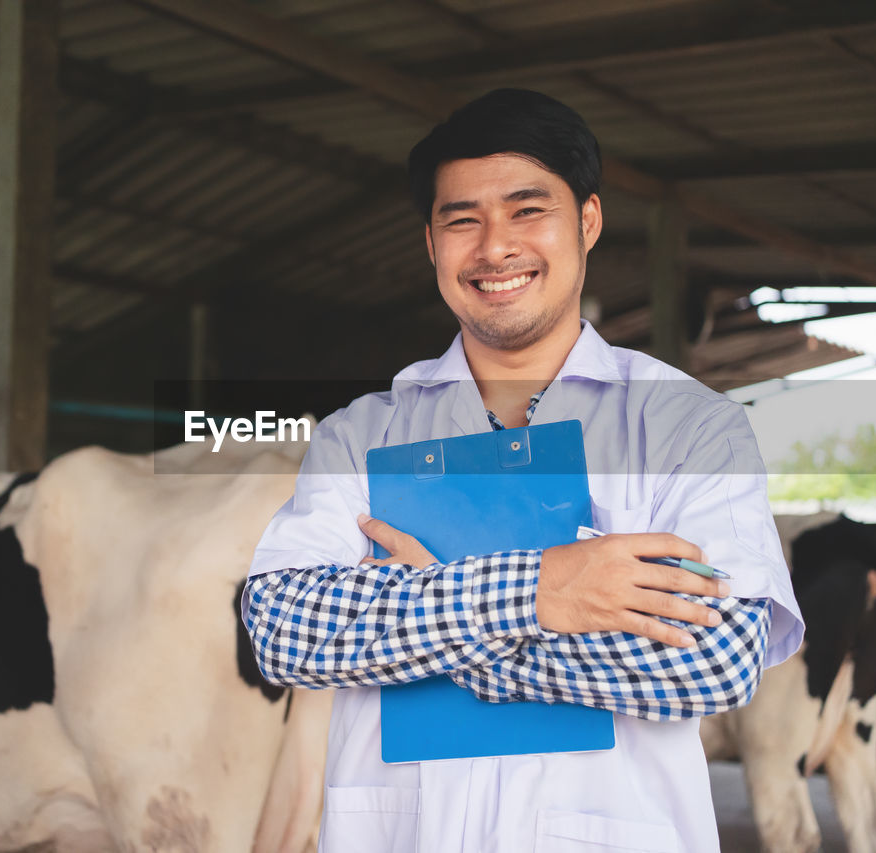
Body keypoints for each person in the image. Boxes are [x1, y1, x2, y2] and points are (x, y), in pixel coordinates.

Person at [242, 88, 803, 853]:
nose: (495, 248)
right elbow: (285, 628)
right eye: (462, 220)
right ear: (431, 244)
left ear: (588, 221)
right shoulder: (361, 433)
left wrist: (435, 624)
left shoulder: (687, 426)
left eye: (527, 210)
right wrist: (544, 590)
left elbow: (714, 660)